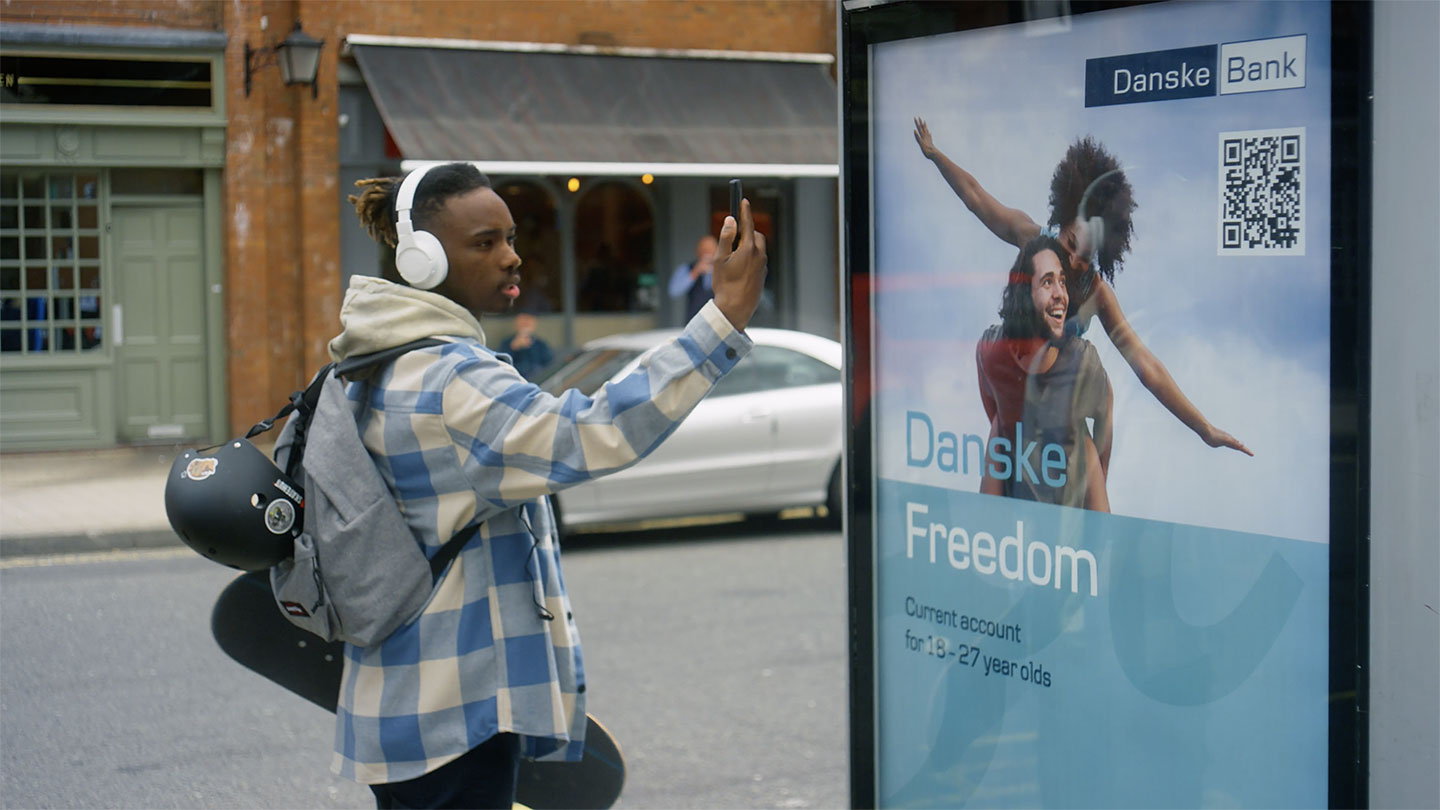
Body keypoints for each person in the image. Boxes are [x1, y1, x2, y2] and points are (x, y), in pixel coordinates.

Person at [342, 162, 767, 808]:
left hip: (399, 709)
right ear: (423, 260)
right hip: (454, 717)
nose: (513, 257)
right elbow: (587, 431)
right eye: (485, 243)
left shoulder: (371, 362)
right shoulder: (449, 378)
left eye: (511, 237)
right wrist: (721, 320)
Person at [914, 117, 1252, 457]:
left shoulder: (1097, 292)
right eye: (1070, 242)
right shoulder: (1033, 238)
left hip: (1057, 388)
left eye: (1085, 257)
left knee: (1103, 393)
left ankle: (1093, 493)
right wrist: (935, 154)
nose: (1072, 260)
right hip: (1016, 366)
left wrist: (1203, 428)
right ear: (1061, 221)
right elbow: (976, 198)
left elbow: (1147, 367)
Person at [976, 236, 1112, 510]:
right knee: (997, 432)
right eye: (1048, 282)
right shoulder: (991, 350)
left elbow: (1105, 419)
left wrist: (1095, 480)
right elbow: (995, 406)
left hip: (1069, 514)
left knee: (1086, 445)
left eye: (1062, 281)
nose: (1060, 293)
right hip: (1015, 509)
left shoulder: (1082, 362)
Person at [668, 234, 717, 322]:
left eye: (710, 250)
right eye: (705, 250)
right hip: (694, 322)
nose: (708, 254)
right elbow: (674, 292)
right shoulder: (687, 268)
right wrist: (695, 273)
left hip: (718, 322)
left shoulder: (724, 270)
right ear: (698, 252)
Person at [498, 311, 553, 380]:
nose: (525, 324)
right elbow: (501, 364)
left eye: (528, 322)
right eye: (523, 322)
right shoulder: (507, 343)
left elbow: (549, 366)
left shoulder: (541, 345)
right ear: (516, 323)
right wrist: (513, 347)